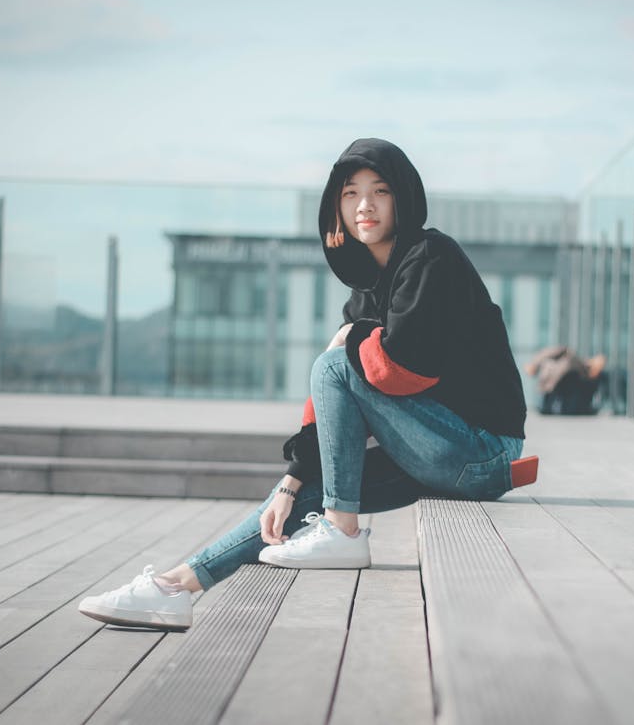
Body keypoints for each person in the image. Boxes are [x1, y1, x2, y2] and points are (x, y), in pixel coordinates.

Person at [78, 138, 528, 631]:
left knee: (333, 365)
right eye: (351, 193)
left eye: (380, 191)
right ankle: (177, 587)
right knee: (309, 483)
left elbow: (402, 371)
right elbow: (337, 400)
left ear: (404, 197)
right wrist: (292, 482)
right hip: (439, 451)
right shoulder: (367, 291)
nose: (365, 206)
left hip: (483, 452)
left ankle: (341, 529)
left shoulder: (430, 257)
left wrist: (351, 338)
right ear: (335, 204)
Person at [523, 346, 606, 415]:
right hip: (560, 381)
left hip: (560, 382)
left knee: (552, 394)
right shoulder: (570, 361)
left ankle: (547, 408)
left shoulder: (572, 363)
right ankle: (547, 408)